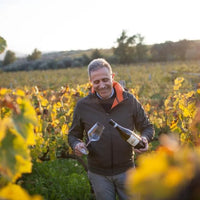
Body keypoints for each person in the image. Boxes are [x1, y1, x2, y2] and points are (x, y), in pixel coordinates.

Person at [68, 58, 155, 200]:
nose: (102, 85)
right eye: (96, 82)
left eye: (105, 79)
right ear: (91, 82)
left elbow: (147, 127)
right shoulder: (83, 106)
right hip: (98, 174)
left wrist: (145, 138)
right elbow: (73, 135)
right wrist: (76, 144)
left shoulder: (129, 101)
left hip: (127, 171)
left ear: (112, 77)